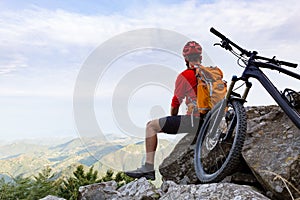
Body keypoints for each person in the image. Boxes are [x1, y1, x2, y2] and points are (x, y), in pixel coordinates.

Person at [125, 41, 203, 180]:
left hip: (194, 121)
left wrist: (173, 117)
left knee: (151, 126)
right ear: (201, 57)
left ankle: (148, 168)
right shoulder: (213, 74)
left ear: (185, 59)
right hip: (212, 119)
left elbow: (175, 102)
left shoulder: (185, 75)